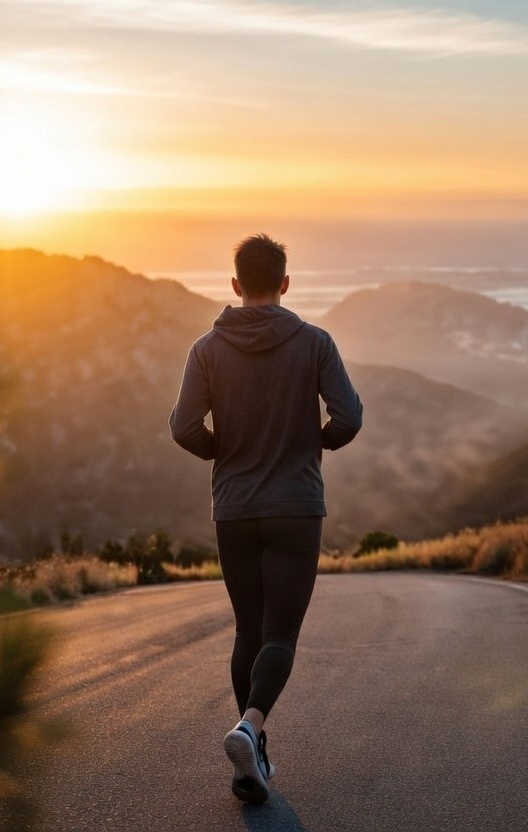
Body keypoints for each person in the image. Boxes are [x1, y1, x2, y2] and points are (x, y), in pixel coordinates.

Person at [169, 233, 363, 804]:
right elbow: (349, 416)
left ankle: (251, 758)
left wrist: (222, 454)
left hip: (234, 510)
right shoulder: (314, 344)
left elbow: (183, 428)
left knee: (247, 631)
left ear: (234, 286)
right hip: (296, 507)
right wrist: (313, 445)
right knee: (280, 633)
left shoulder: (206, 350)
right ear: (284, 283)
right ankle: (250, 729)